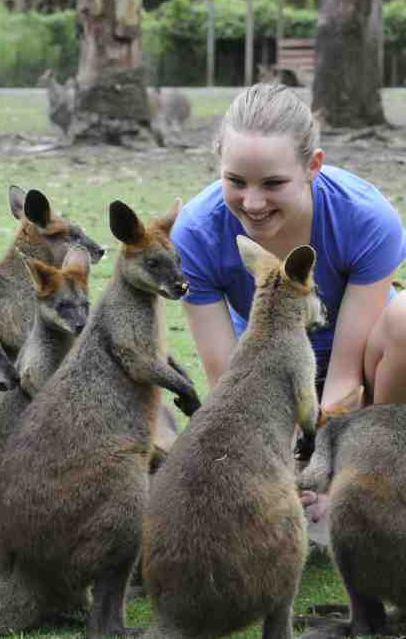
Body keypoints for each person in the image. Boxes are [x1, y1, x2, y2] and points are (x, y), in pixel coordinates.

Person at [171, 83, 406, 523]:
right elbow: (229, 381)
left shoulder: (365, 218)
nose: (253, 202)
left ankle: (372, 477)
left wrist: (329, 466)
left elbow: (344, 375)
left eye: (273, 183)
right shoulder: (197, 234)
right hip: (271, 378)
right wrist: (282, 467)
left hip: (370, 372)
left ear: (313, 166)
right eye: (235, 182)